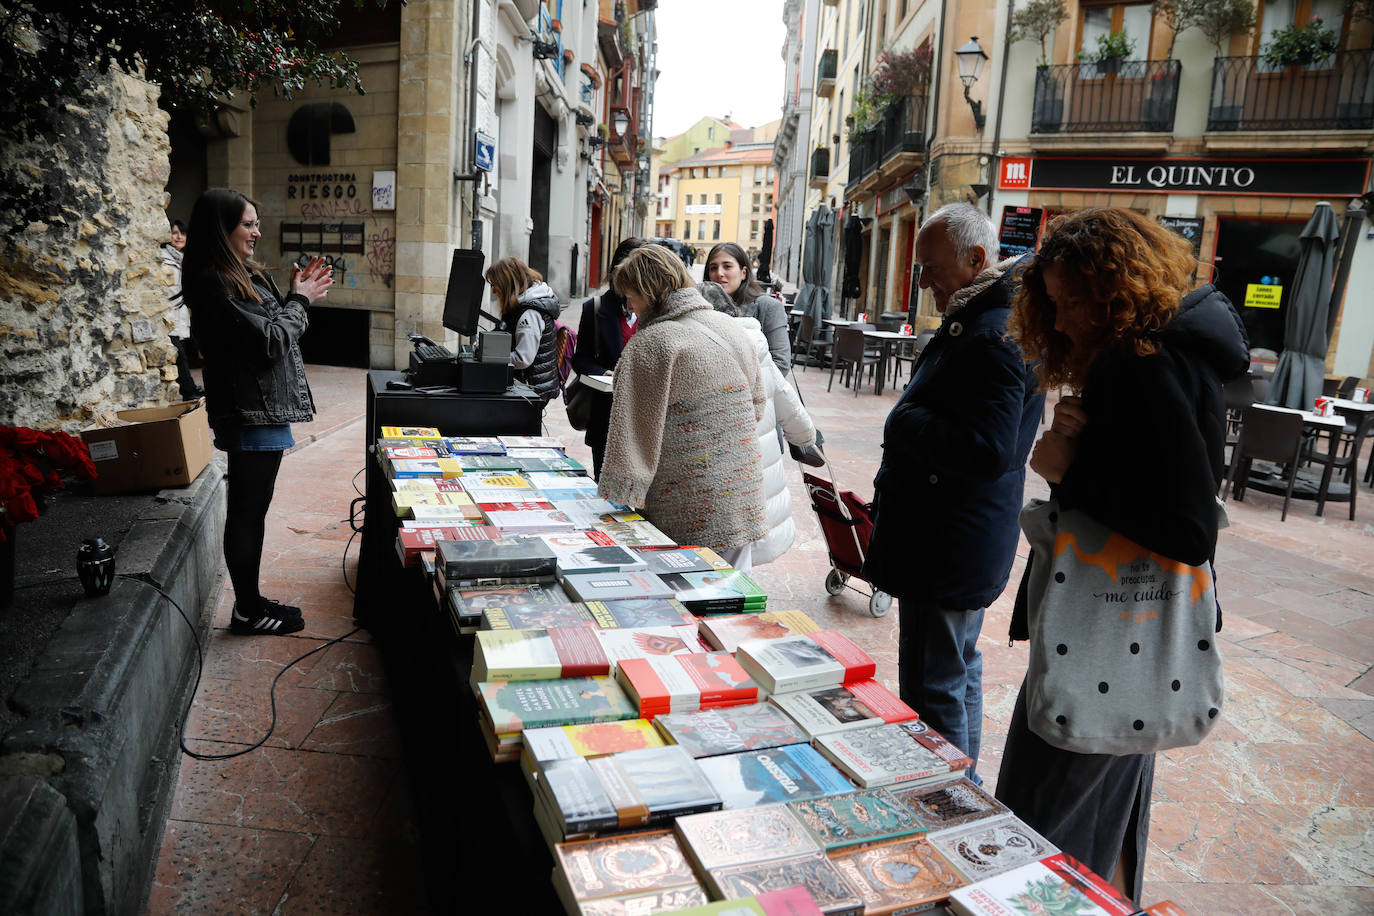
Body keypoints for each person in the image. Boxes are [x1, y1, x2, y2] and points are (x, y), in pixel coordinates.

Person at [996, 207, 1248, 902]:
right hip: (1133, 644)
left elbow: (1189, 527)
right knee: (1105, 816)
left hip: (1103, 638)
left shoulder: (1141, 366)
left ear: (1117, 288)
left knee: (1035, 826)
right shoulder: (1166, 354)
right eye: (1055, 303)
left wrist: (1065, 471)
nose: (1066, 318)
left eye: (1077, 300)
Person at [859, 202, 1045, 784]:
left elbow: (991, 451)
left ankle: (945, 798)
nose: (924, 282)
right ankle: (963, 788)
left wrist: (904, 423)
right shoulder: (990, 317)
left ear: (976, 259)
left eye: (932, 267)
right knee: (958, 667)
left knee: (933, 680)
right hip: (962, 539)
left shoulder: (990, 335)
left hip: (946, 543)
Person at [183, 188, 332, 636]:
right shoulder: (215, 280)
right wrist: (300, 301)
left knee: (253, 510)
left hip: (262, 407)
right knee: (247, 512)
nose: (256, 231)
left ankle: (251, 599)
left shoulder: (238, 274)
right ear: (221, 228)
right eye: (247, 224)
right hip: (250, 410)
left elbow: (270, 329)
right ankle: (247, 610)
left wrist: (292, 296)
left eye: (255, 223)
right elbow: (270, 341)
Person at [598, 245, 767, 566]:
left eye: (630, 295)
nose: (629, 305)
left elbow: (630, 439)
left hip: (684, 509)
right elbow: (757, 406)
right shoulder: (729, 327)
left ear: (648, 292)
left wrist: (619, 501)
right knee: (732, 603)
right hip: (742, 499)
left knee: (685, 608)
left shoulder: (651, 344)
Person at [699, 280, 818, 570]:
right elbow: (789, 404)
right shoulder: (756, 345)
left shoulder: (706, 348)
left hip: (724, 472)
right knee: (744, 547)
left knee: (720, 551)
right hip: (756, 468)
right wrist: (804, 437)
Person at [573, 238, 646, 478]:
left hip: (644, 418)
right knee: (605, 488)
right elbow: (580, 359)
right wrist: (600, 371)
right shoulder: (595, 309)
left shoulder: (657, 313)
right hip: (606, 416)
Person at [705, 241, 791, 375]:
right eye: (713, 268)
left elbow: (781, 365)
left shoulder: (768, 307)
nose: (719, 273)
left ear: (743, 273)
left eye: (727, 266)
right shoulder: (703, 309)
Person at [485, 257, 561, 402]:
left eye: (495, 285)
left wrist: (489, 358)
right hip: (527, 383)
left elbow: (523, 358)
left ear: (507, 284)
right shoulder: (522, 305)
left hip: (531, 389)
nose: (494, 291)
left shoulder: (530, 314)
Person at [161, 218, 202, 400]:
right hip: (168, 315)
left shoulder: (182, 258)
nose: (179, 237)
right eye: (174, 233)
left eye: (182, 233)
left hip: (181, 315)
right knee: (179, 355)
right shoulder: (162, 257)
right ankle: (189, 390)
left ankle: (189, 388)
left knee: (183, 354)